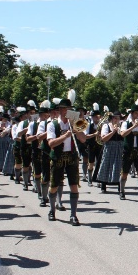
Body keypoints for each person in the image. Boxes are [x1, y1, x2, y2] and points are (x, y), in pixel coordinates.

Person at [46, 94, 87, 225]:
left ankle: (73, 215)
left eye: (69, 109)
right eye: (65, 109)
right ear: (61, 110)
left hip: (71, 157)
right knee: (54, 186)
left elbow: (83, 139)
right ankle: (52, 210)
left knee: (74, 186)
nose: (67, 111)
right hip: (58, 157)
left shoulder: (74, 123)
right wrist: (65, 136)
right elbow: (51, 144)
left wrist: (75, 127)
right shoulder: (52, 124)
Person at [119, 97, 138, 202]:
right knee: (124, 172)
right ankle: (122, 191)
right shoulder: (126, 123)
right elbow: (122, 134)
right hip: (128, 150)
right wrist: (132, 127)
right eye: (136, 113)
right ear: (132, 113)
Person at [97, 111, 124, 194]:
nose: (117, 120)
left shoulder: (121, 126)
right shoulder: (106, 126)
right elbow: (103, 139)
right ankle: (103, 185)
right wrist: (113, 132)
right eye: (115, 118)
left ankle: (119, 186)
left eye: (118, 118)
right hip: (109, 147)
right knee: (106, 165)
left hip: (118, 148)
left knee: (118, 166)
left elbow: (123, 136)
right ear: (112, 118)